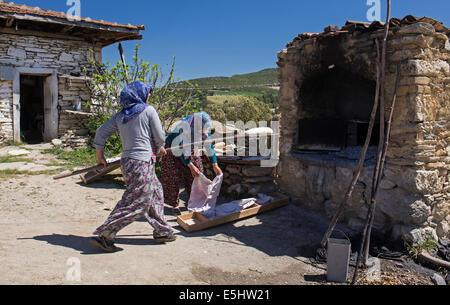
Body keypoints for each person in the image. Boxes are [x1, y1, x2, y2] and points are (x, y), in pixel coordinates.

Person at [90, 81, 175, 252]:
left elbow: (101, 132)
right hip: (142, 163)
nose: (149, 95)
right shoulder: (148, 110)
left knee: (155, 192)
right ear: (140, 95)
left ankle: (162, 230)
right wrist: (159, 147)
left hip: (128, 162)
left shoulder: (121, 116)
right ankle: (105, 234)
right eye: (147, 92)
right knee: (138, 201)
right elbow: (159, 136)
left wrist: (100, 157)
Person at [160, 111, 223, 212]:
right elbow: (179, 150)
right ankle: (174, 205)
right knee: (172, 176)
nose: (202, 131)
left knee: (197, 173)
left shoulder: (204, 130)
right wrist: (190, 165)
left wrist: (215, 165)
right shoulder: (182, 128)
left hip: (191, 150)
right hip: (173, 150)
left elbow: (209, 146)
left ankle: (195, 201)